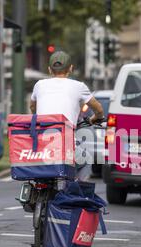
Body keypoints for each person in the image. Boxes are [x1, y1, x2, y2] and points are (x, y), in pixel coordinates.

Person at [30, 51, 104, 181]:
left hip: (41, 144)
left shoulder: (39, 85)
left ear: (49, 69)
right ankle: (76, 189)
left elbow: (32, 107)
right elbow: (99, 109)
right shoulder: (79, 87)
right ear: (70, 68)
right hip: (65, 144)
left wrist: (41, 119)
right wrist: (94, 119)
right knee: (86, 158)